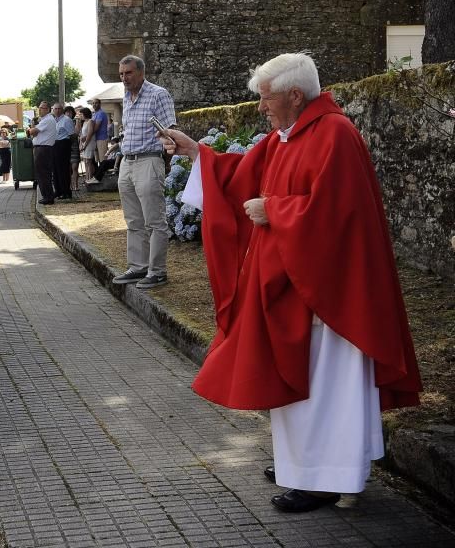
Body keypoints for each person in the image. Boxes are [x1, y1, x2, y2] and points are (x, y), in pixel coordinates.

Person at [161, 52, 421, 513]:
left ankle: (326, 477)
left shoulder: (335, 135)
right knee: (302, 381)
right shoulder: (289, 135)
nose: (261, 107)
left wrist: (273, 211)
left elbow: (339, 215)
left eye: (266, 98)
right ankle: (303, 465)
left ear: (295, 95)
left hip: (328, 295)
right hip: (294, 285)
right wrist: (196, 152)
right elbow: (240, 175)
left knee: (325, 386)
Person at [111, 55, 176, 290]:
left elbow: (170, 130)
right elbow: (128, 130)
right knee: (133, 221)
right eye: (121, 74)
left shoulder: (158, 94)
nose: (124, 78)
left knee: (154, 221)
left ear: (140, 72)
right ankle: (138, 267)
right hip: (127, 162)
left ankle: (157, 271)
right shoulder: (126, 98)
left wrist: (164, 162)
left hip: (149, 160)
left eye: (128, 73)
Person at [27, 101, 56, 205]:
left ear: (48, 109)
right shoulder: (45, 120)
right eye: (39, 107)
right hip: (42, 148)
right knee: (42, 174)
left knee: (43, 174)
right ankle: (47, 196)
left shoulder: (47, 119)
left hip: (43, 149)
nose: (40, 110)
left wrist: (30, 129)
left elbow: (32, 132)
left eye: (42, 108)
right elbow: (35, 134)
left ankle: (48, 197)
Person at [52, 103, 73, 200]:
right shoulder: (53, 120)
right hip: (55, 144)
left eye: (59, 109)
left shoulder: (67, 120)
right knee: (55, 169)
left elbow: (71, 134)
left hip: (63, 144)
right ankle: (58, 190)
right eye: (55, 109)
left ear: (62, 110)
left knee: (63, 169)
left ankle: (66, 191)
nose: (57, 110)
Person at [88, 98, 110, 163]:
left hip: (101, 139)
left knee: (103, 160)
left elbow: (96, 128)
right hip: (95, 139)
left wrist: (87, 136)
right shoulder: (94, 114)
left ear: (100, 104)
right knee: (96, 160)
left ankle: (103, 173)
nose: (94, 104)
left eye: (96, 103)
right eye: (93, 103)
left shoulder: (101, 113)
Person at [78, 107, 96, 181]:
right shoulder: (84, 122)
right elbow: (82, 134)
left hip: (90, 142)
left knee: (89, 161)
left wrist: (85, 145)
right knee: (85, 161)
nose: (80, 116)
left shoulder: (90, 121)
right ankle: (87, 178)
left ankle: (90, 178)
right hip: (84, 143)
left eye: (81, 114)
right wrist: (81, 144)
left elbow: (90, 133)